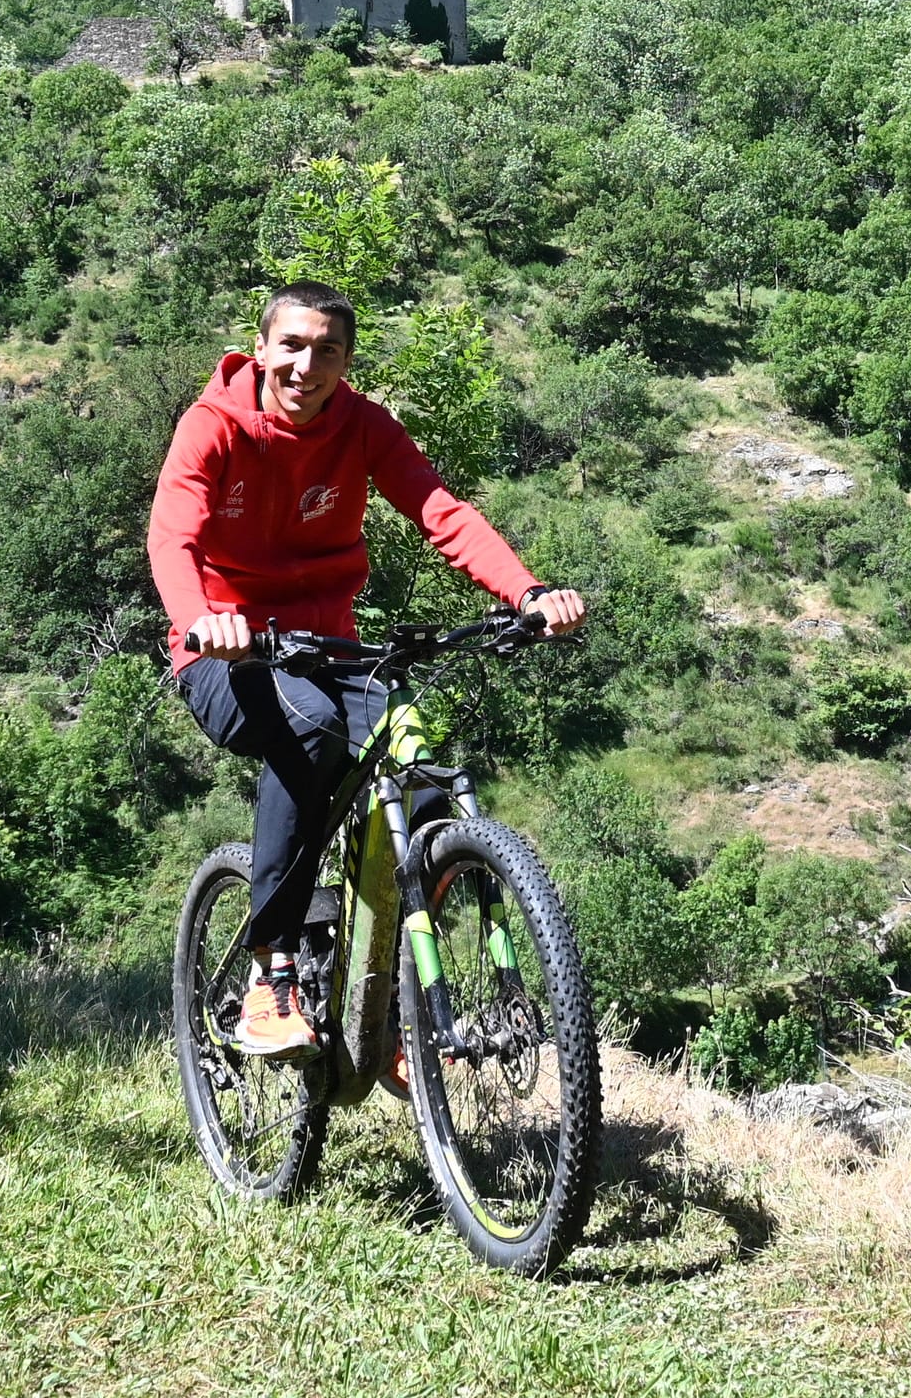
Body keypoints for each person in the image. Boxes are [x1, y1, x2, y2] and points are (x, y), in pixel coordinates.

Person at [148, 279, 586, 1060]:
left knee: (416, 772)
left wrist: (527, 592)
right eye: (292, 345)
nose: (306, 365)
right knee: (308, 732)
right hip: (225, 650)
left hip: (330, 650)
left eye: (327, 351)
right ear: (261, 347)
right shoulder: (213, 425)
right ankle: (272, 970)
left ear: (346, 362)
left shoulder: (363, 426)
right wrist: (200, 618)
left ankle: (386, 1007)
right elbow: (171, 536)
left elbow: (440, 511)